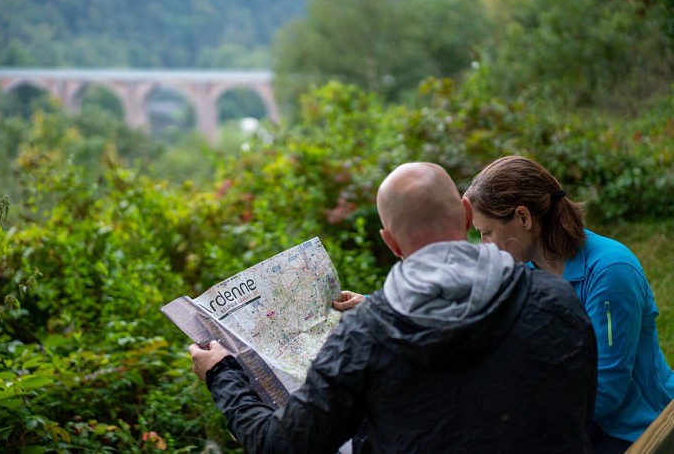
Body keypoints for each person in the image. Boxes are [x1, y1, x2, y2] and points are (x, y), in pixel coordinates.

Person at [189, 162, 598, 453]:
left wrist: (222, 374)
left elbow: (282, 443)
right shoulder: (556, 298)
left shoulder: (365, 336)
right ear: (466, 213)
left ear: (391, 243)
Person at [463, 154, 674, 453]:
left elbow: (610, 386)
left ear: (523, 218)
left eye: (487, 233)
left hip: (635, 426)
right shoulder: (527, 267)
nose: (485, 246)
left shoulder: (610, 271)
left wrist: (526, 418)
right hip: (575, 416)